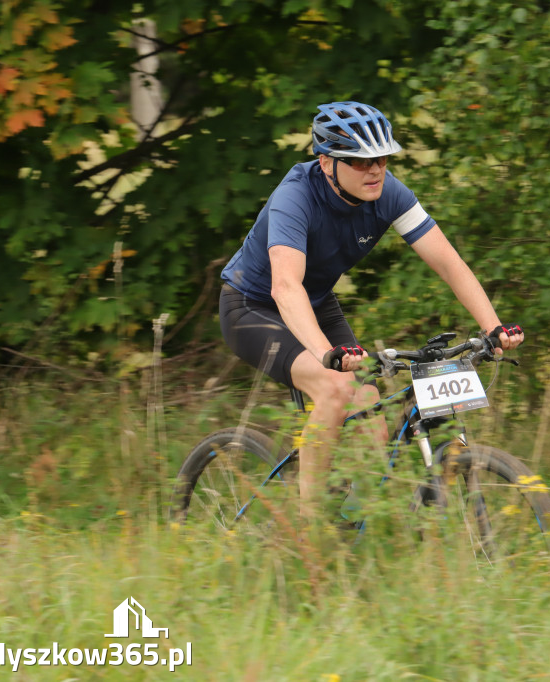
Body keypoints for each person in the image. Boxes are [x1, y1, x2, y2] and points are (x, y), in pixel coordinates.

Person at [219, 101, 524, 518]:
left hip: (317, 303)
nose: (375, 170)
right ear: (327, 163)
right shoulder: (294, 197)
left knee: (373, 417)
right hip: (254, 306)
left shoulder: (388, 193)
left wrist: (492, 327)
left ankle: (348, 522)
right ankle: (312, 537)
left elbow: (449, 263)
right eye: (361, 162)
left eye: (380, 159)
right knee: (335, 387)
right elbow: (285, 287)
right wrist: (327, 355)